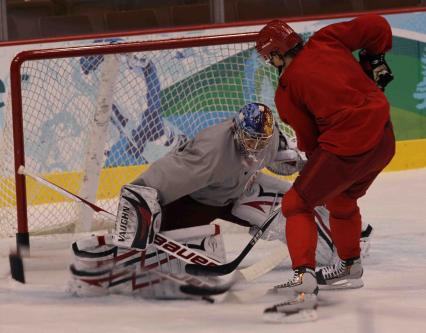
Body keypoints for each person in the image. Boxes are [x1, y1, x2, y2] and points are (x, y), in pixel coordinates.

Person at [255, 14, 395, 310]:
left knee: (295, 204)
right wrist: (374, 58)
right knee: (342, 201)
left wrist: (315, 172)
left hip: (346, 148)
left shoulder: (286, 91)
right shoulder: (326, 39)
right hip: (384, 139)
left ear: (277, 55)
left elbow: (310, 142)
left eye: (271, 58)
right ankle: (349, 266)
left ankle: (303, 276)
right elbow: (378, 25)